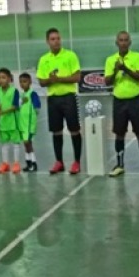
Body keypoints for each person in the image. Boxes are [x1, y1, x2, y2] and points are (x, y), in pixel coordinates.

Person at [105, 31, 139, 177]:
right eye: (121, 40)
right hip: (119, 101)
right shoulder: (110, 60)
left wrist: (125, 68)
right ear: (116, 42)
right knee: (119, 134)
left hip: (135, 101)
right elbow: (107, 82)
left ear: (130, 42)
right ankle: (120, 165)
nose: (123, 42)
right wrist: (115, 70)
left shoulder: (136, 56)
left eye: (126, 40)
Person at [36, 28, 82, 175]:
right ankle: (59, 162)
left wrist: (59, 79)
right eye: (53, 39)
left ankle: (76, 162)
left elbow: (77, 77)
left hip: (69, 98)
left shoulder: (70, 55)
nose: (56, 41)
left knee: (74, 130)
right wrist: (51, 79)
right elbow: (42, 82)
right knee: (56, 132)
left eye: (58, 38)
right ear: (47, 41)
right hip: (53, 99)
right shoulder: (44, 59)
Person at [0, 67, 21, 174]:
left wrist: (3, 112)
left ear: (9, 79)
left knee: (15, 144)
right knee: (4, 144)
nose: (1, 80)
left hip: (13, 122)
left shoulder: (14, 91)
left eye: (3, 77)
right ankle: (5, 163)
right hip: (2, 123)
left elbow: (15, 106)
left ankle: (16, 163)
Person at [19, 72, 41, 172]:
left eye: (25, 81)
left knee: (28, 142)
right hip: (23, 123)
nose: (22, 84)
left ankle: (34, 163)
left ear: (30, 82)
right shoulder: (22, 94)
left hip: (29, 123)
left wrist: (33, 116)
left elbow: (37, 107)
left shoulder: (33, 94)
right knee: (26, 143)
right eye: (21, 82)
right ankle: (28, 163)